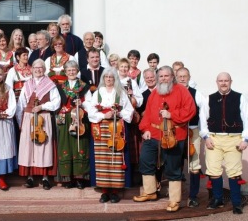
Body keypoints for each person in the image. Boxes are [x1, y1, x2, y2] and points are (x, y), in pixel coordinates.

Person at [133, 66, 196, 212]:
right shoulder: (155, 92)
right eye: (160, 76)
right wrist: (145, 129)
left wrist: (171, 114)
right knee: (145, 160)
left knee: (173, 168)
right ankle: (150, 192)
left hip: (173, 135)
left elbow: (190, 110)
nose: (163, 79)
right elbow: (148, 113)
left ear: (172, 77)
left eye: (166, 76)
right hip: (154, 133)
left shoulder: (181, 91)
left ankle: (174, 200)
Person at [200, 72, 248, 214]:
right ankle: (218, 199)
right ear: (216, 82)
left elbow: (247, 119)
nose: (223, 83)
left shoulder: (240, 98)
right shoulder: (209, 99)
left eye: (226, 80)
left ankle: (236, 203)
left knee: (234, 172)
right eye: (221, 81)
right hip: (214, 138)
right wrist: (206, 137)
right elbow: (203, 120)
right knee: (213, 171)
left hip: (234, 139)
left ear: (231, 81)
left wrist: (245, 139)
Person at [88, 67, 134, 203]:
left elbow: (129, 110)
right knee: (102, 160)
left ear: (115, 79)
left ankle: (115, 191)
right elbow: (91, 111)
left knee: (116, 158)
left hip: (116, 128)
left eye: (111, 77)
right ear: (103, 79)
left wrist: (119, 113)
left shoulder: (121, 93)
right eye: (106, 77)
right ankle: (104, 191)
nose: (109, 79)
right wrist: (103, 115)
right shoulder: (98, 93)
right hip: (101, 129)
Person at [16, 59, 61, 190]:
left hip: (44, 117)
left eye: (40, 67)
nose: (38, 70)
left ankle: (45, 178)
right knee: (28, 147)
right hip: (28, 118)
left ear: (44, 69)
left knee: (43, 146)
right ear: (31, 69)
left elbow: (56, 102)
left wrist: (42, 106)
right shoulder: (27, 84)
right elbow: (21, 104)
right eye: (35, 67)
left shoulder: (50, 84)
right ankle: (29, 177)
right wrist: (20, 121)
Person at [56, 60, 92, 189]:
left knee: (80, 145)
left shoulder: (84, 86)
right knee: (65, 145)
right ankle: (67, 177)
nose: (71, 72)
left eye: (73, 70)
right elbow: (56, 102)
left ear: (77, 71)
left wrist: (81, 104)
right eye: (69, 70)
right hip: (65, 120)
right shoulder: (60, 87)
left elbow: (90, 102)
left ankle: (80, 178)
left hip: (79, 118)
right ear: (65, 72)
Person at [176, 67, 208, 208]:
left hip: (192, 131)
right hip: (175, 131)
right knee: (175, 162)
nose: (182, 78)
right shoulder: (172, 92)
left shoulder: (197, 94)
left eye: (185, 76)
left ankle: (193, 196)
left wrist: (202, 131)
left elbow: (205, 113)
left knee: (194, 163)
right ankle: (175, 196)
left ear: (189, 77)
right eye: (180, 76)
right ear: (176, 77)